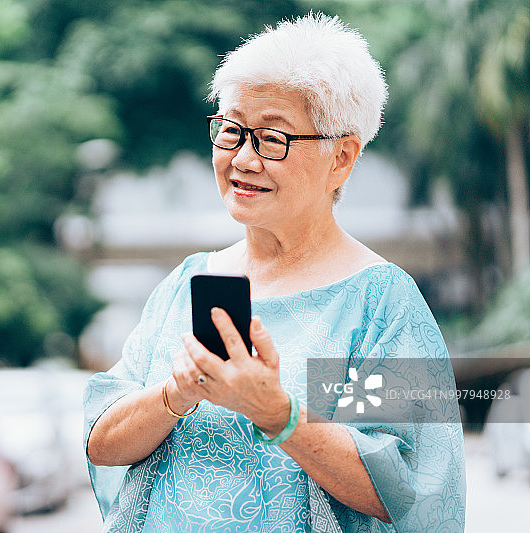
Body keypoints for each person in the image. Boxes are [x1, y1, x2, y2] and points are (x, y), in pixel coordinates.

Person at [83, 13, 465, 533]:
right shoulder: (186, 284)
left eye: (272, 138)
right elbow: (102, 443)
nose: (243, 158)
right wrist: (176, 393)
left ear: (342, 158)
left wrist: (278, 414)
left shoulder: (375, 303)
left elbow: (406, 487)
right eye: (232, 130)